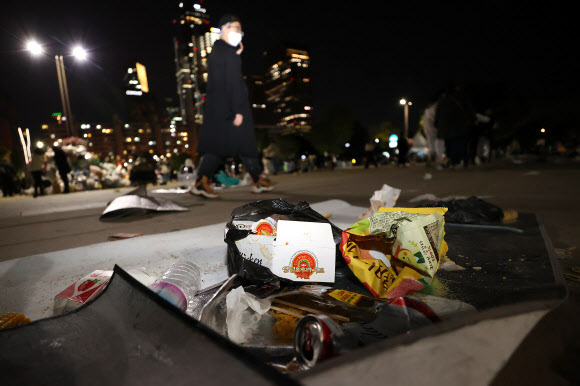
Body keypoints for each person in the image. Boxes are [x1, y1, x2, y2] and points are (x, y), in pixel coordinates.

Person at [191, 14, 274, 198]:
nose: (239, 33)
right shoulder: (226, 53)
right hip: (230, 109)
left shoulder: (220, 51)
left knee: (241, 144)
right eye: (236, 28)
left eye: (240, 30)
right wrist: (236, 110)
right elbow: (232, 83)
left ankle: (258, 179)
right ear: (224, 28)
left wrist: (235, 54)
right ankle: (201, 182)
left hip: (221, 107)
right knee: (220, 145)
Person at [423, 100, 445, 168]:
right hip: (435, 129)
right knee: (439, 145)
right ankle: (436, 161)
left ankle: (432, 160)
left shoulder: (428, 110)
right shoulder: (435, 108)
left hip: (429, 130)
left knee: (431, 145)